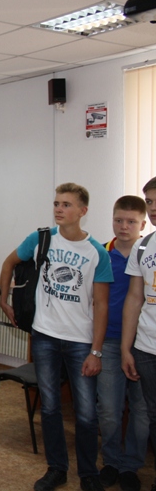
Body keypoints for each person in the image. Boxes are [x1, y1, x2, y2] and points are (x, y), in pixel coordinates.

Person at [0, 183, 112, 491]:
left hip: (80, 341)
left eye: (66, 204)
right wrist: (4, 300)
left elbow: (102, 305)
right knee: (49, 408)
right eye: (56, 203)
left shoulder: (97, 253)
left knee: (86, 413)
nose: (59, 209)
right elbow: (9, 262)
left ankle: (88, 473)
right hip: (45, 337)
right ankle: (56, 469)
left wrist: (96, 351)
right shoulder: (41, 239)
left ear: (83, 211)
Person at [98, 195, 149, 491]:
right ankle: (112, 462)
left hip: (144, 343)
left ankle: (131, 466)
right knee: (109, 408)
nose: (124, 226)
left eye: (131, 221)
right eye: (118, 220)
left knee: (141, 411)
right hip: (109, 339)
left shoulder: (148, 254)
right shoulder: (102, 253)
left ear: (142, 224)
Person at [122, 177, 156, 491]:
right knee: (153, 417)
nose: (153, 208)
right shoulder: (143, 246)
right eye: (150, 202)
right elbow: (134, 298)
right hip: (146, 347)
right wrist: (126, 348)